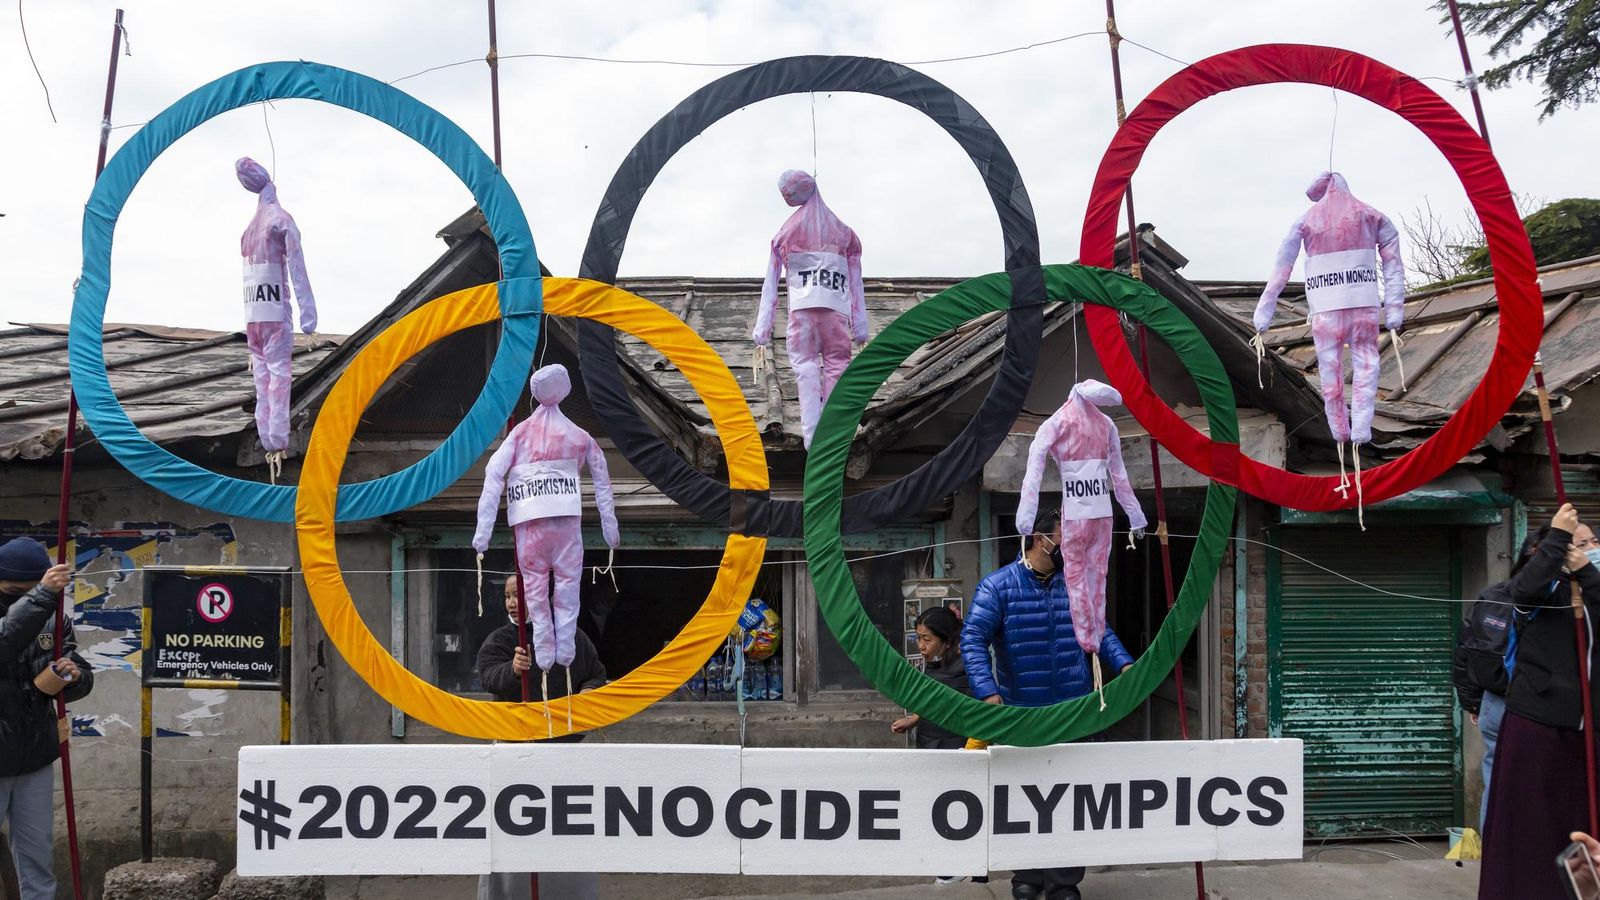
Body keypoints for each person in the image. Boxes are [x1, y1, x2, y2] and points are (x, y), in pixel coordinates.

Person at [961, 510, 1135, 900]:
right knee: (1024, 800)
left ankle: (1063, 883)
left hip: (1074, 713)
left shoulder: (1078, 585)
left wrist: (1126, 666)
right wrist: (988, 693)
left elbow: (1099, 630)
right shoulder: (997, 587)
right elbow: (972, 639)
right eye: (1067, 538)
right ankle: (1026, 877)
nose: (1074, 546)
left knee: (1071, 802)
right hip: (1022, 715)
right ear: (1041, 539)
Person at [1479, 503, 1600, 900]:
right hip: (1537, 721)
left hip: (1587, 730)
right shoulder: (1543, 586)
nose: (1587, 547)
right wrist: (1557, 540)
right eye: (1577, 542)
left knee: (1582, 828)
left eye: (1592, 541)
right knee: (1529, 826)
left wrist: (1587, 572)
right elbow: (1523, 591)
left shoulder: (1592, 582)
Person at [475, 576, 607, 900]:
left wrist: (589, 692)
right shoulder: (501, 640)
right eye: (507, 596)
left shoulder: (571, 637)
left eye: (518, 595)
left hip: (565, 754)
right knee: (512, 832)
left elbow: (596, 673)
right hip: (514, 752)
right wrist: (513, 670)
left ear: (540, 597)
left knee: (567, 830)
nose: (511, 603)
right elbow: (488, 676)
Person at [1, 539, 90, 900]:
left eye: (28, 590)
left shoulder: (54, 619)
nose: (19, 598)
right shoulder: (40, 604)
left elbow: (75, 678)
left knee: (38, 860)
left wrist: (74, 676)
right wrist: (40, 596)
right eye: (11, 592)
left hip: (35, 756)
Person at [891, 605, 987, 887]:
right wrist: (915, 719)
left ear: (946, 640)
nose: (921, 646)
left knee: (961, 810)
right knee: (939, 808)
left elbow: (978, 714)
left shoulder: (968, 668)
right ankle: (957, 866)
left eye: (927, 639)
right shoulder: (935, 663)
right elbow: (940, 701)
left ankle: (967, 869)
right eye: (918, 638)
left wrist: (970, 751)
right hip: (932, 745)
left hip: (957, 750)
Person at [1452, 565, 1517, 829]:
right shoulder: (1550, 601)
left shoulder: (1490, 597)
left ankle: (1492, 857)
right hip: (1526, 704)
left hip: (1493, 703)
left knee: (1497, 782)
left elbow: (1464, 652)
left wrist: (1473, 704)